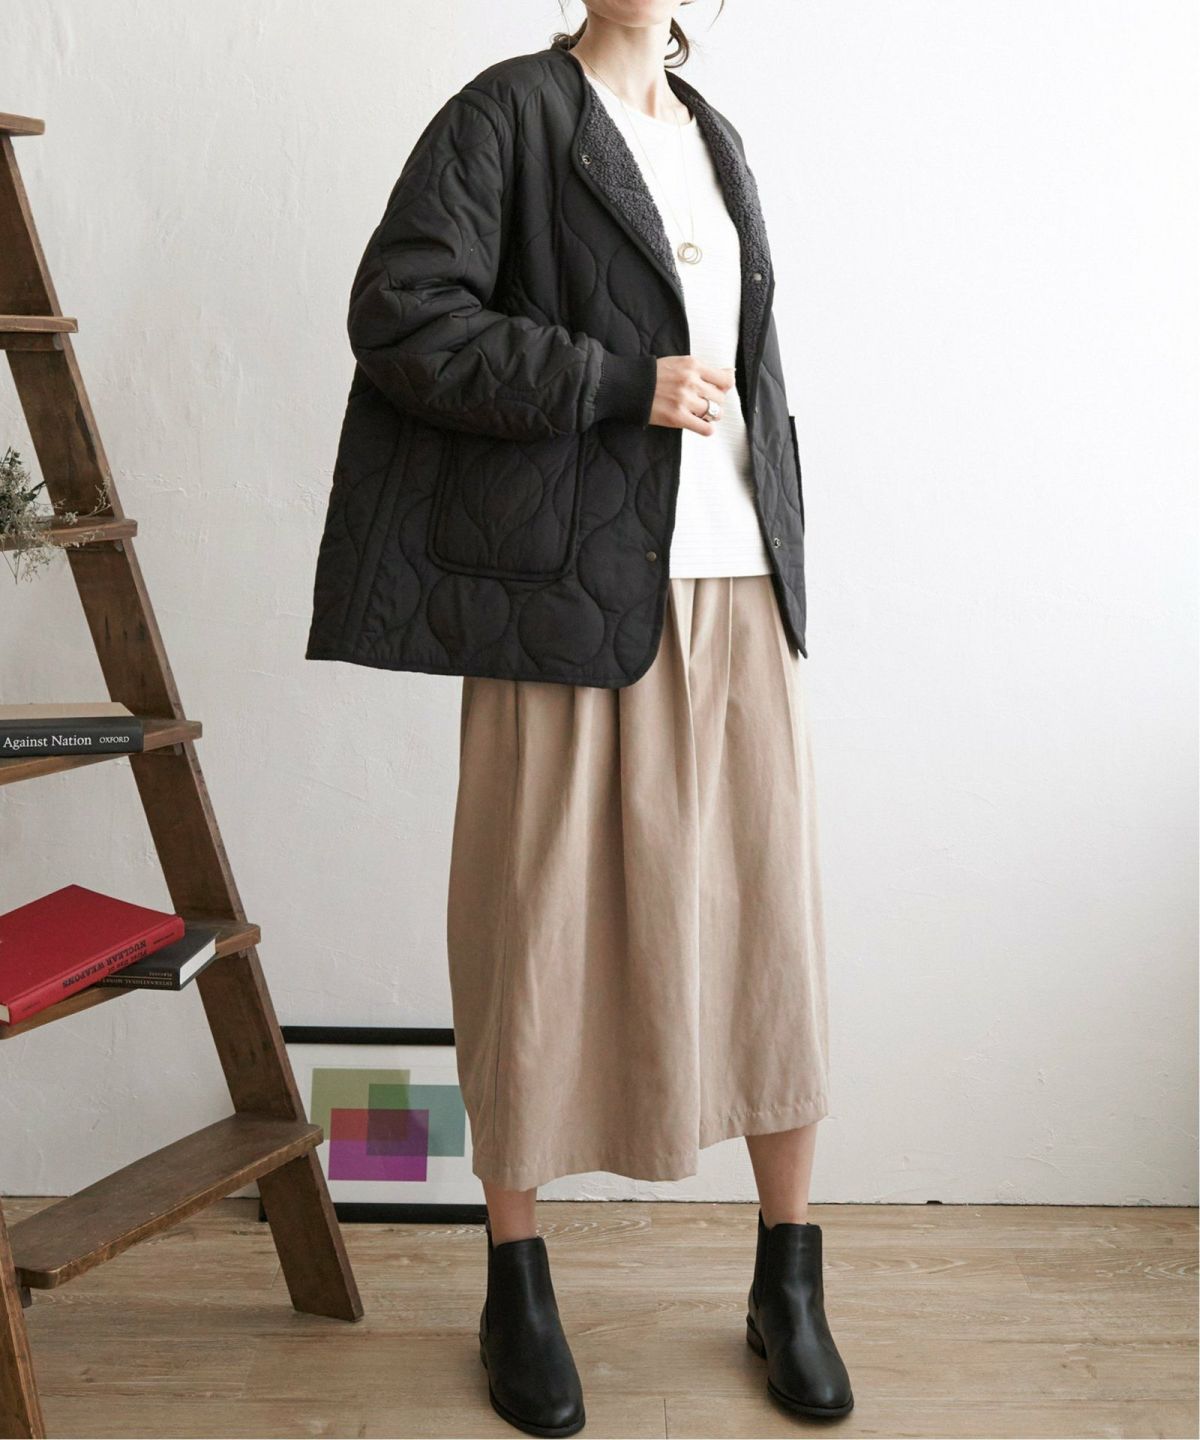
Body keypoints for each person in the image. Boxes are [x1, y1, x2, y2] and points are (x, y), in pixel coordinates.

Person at [306, 2, 853, 1433]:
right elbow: (403, 315)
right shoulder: (510, 113)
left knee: (770, 928)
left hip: (740, 578)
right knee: (530, 924)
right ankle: (516, 1282)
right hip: (559, 593)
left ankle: (789, 1277)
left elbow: (750, 361)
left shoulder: (717, 139)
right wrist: (615, 382)